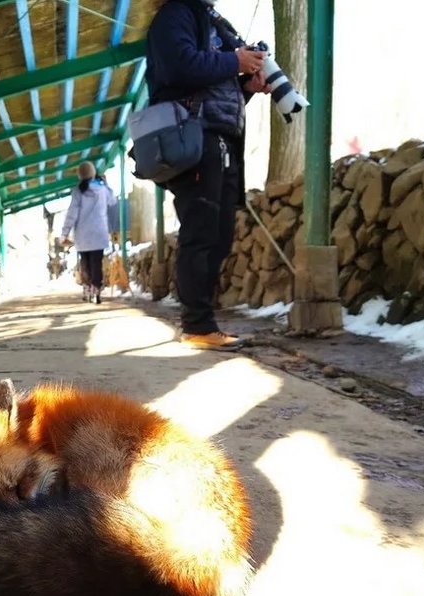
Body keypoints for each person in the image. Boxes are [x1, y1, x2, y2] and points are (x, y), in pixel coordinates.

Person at [145, 0, 271, 350]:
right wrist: (235, 61)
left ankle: (202, 322)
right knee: (200, 233)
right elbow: (179, 66)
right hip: (195, 138)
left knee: (219, 234)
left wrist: (245, 87)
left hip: (220, 140)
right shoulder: (175, 15)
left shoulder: (210, 20)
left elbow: (214, 91)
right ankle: (196, 325)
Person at [60, 161, 117, 304]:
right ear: (93, 173)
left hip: (82, 235)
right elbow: (113, 201)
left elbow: (71, 214)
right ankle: (96, 291)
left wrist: (64, 233)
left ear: (79, 176)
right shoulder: (102, 189)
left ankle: (87, 289)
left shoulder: (77, 192)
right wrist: (106, 184)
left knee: (85, 263)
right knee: (96, 264)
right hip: (99, 233)